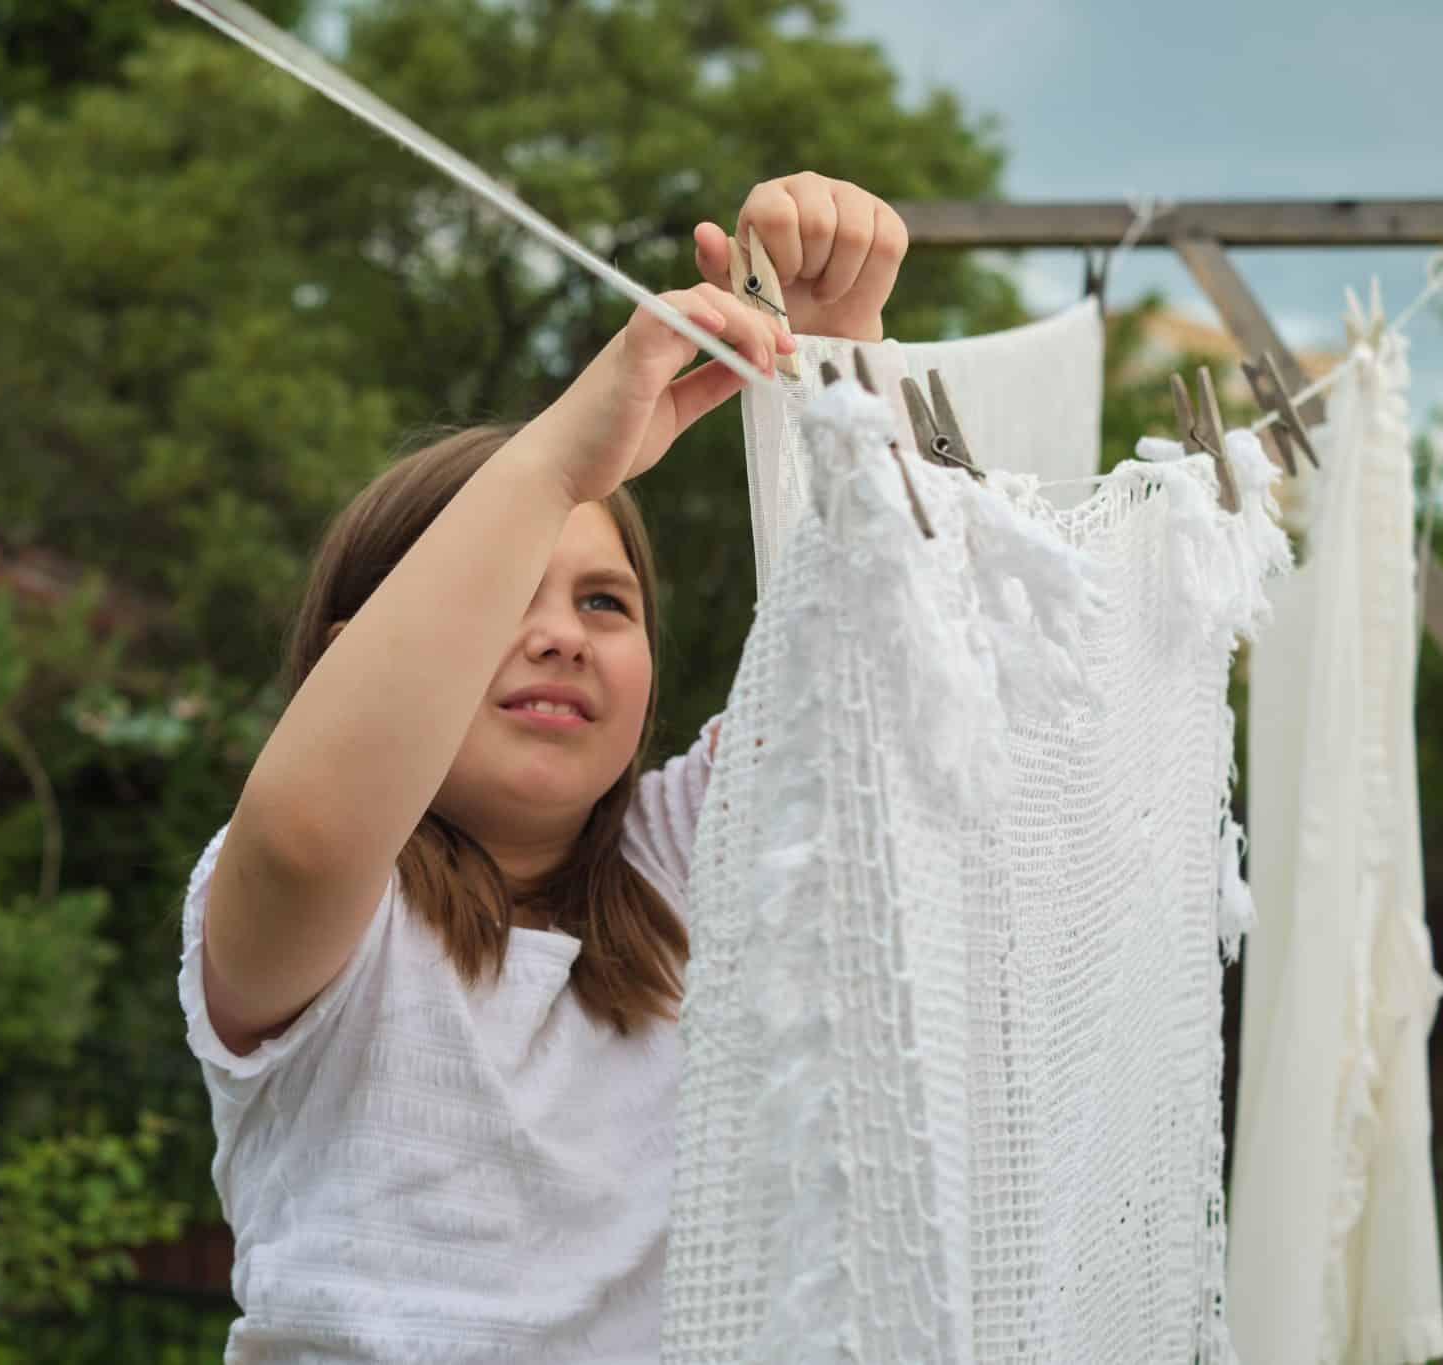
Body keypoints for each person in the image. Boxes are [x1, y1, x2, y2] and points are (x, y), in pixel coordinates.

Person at [180, 173, 908, 1361]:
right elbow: (309, 830)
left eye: (605, 601)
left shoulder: (690, 857)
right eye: (503, 598)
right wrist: (554, 465)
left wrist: (840, 360)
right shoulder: (330, 919)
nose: (563, 633)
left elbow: (892, 688)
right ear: (350, 659)